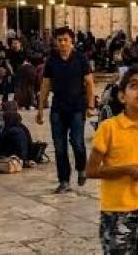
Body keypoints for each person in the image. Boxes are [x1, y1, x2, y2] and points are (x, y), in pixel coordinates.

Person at [87, 65, 138, 255]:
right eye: (134, 85)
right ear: (122, 96)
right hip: (116, 211)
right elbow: (91, 170)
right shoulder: (108, 128)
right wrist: (126, 169)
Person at [38, 27, 95, 193]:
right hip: (58, 108)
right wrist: (41, 108)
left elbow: (90, 83)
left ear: (71, 41)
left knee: (77, 142)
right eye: (59, 40)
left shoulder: (80, 59)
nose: (62, 43)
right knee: (59, 146)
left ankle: (81, 168)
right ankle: (64, 180)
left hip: (77, 106)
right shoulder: (52, 60)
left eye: (65, 40)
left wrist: (91, 106)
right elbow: (46, 85)